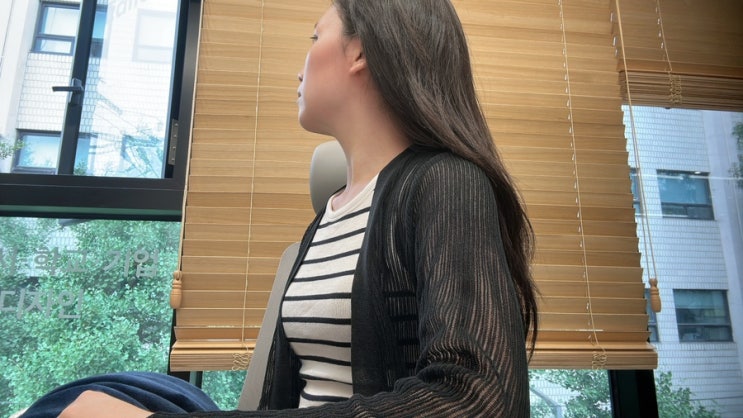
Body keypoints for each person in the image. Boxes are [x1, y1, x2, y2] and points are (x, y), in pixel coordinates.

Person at [22, 0, 538, 416]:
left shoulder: (446, 182)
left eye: (315, 37)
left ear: (360, 51)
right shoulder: (327, 217)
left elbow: (477, 399)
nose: (300, 66)